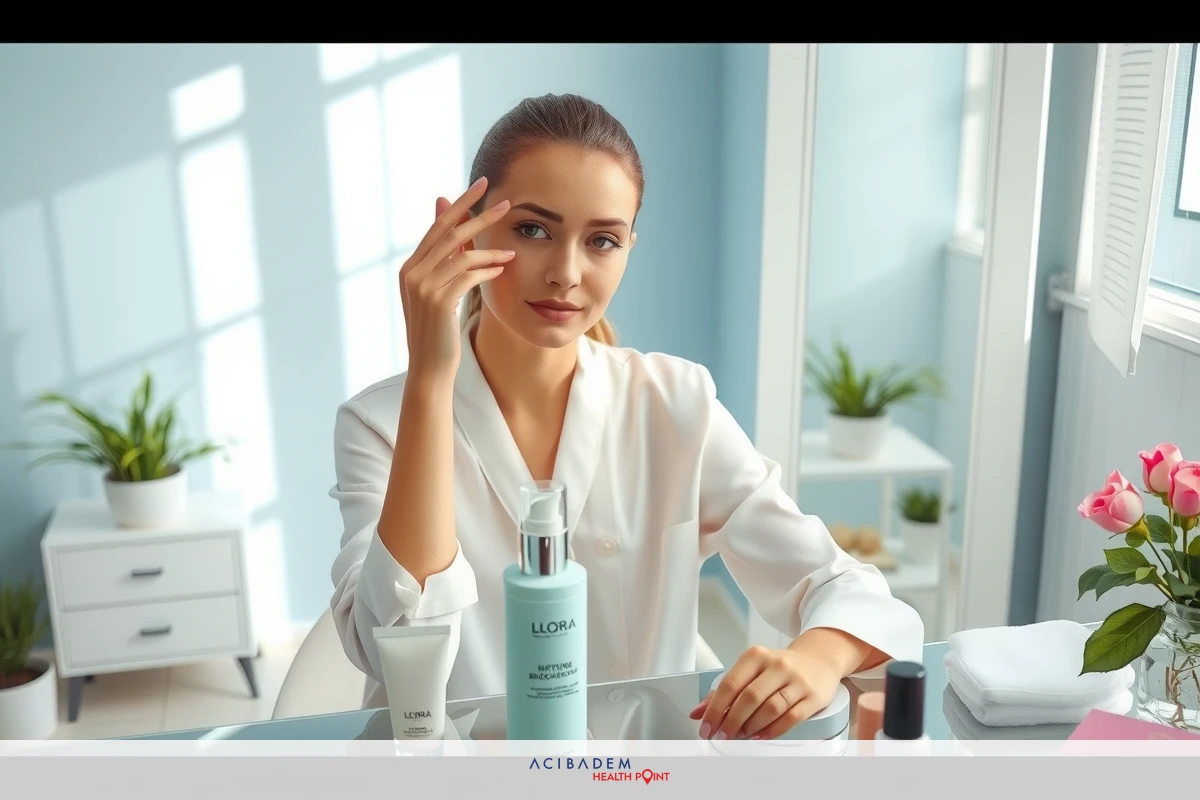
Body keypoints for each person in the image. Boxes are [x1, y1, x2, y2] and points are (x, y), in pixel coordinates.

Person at [330, 93, 923, 742]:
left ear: (628, 248)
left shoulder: (674, 403)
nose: (566, 273)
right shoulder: (379, 423)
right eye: (533, 230)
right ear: (467, 230)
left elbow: (842, 584)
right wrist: (429, 378)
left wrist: (817, 658)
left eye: (602, 241)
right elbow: (395, 642)